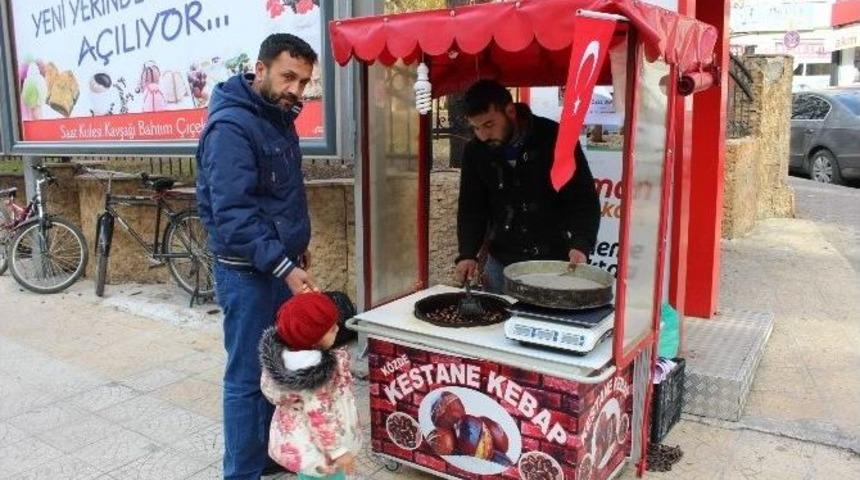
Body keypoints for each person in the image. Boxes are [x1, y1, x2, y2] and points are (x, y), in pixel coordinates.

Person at [196, 33, 319, 479]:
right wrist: (284, 265)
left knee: (277, 370)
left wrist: (297, 248)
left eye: (304, 82)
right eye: (288, 77)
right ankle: (242, 472)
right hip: (247, 274)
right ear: (260, 69)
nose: (296, 89)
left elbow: (280, 196)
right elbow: (233, 215)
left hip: (278, 266)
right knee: (247, 380)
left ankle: (267, 455)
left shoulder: (278, 118)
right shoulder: (231, 127)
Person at [454, 79, 601, 293]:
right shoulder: (475, 151)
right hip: (502, 261)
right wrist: (467, 253)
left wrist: (581, 244)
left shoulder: (554, 137)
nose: (483, 135)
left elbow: (582, 198)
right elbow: (472, 207)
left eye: (489, 125)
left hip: (554, 261)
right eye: (476, 128)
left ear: (510, 111)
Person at [259, 292, 362, 480]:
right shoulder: (315, 380)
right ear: (314, 340)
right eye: (331, 329)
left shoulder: (285, 363)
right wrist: (338, 452)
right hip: (323, 455)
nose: (338, 329)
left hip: (302, 445)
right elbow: (320, 417)